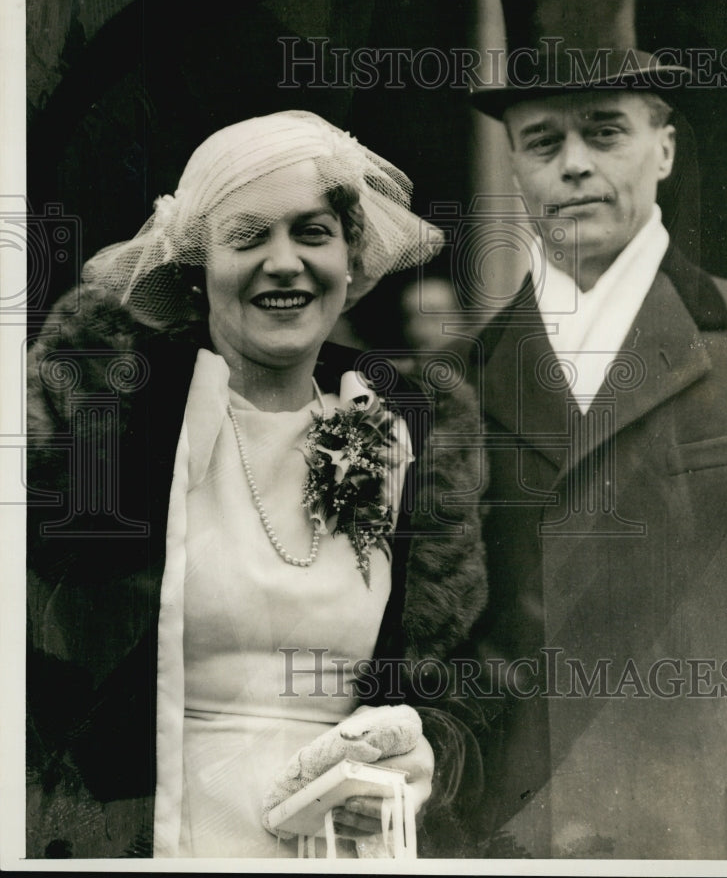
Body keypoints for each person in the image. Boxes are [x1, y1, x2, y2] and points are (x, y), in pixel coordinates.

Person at [26, 111, 487, 859]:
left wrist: (415, 756)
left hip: (344, 843)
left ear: (350, 258)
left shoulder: (404, 425)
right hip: (149, 830)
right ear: (197, 263)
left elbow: (449, 676)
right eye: (248, 238)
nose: (285, 264)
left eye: (312, 233)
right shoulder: (121, 414)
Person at [466, 0, 727, 858]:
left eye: (605, 132)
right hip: (517, 839)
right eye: (544, 141)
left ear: (663, 146)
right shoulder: (451, 380)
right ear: (513, 163)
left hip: (705, 834)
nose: (575, 166)